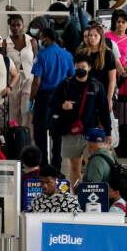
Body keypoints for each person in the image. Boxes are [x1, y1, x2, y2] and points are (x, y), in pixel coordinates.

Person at [51, 53, 111, 188]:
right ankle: (77, 195)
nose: (80, 69)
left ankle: (91, 192)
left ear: (89, 68)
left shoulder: (96, 86)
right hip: (70, 132)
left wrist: (108, 132)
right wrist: (63, 106)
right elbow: (52, 104)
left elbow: (104, 110)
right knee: (74, 166)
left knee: (92, 164)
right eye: (77, 66)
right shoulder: (65, 84)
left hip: (90, 133)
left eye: (83, 66)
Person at [30, 27, 75, 169]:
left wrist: (31, 98)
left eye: (41, 37)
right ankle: (57, 166)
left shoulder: (41, 55)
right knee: (58, 133)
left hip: (45, 97)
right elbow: (71, 77)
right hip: (61, 97)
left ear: (46, 38)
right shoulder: (67, 55)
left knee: (40, 132)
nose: (40, 40)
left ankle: (43, 165)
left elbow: (36, 81)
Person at [6, 14, 37, 133]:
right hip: (13, 81)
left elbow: (37, 61)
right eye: (13, 25)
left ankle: (25, 134)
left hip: (29, 79)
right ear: (10, 27)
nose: (16, 28)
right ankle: (14, 135)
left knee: (26, 110)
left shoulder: (32, 41)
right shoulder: (6, 43)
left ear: (23, 25)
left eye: (18, 25)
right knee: (13, 110)